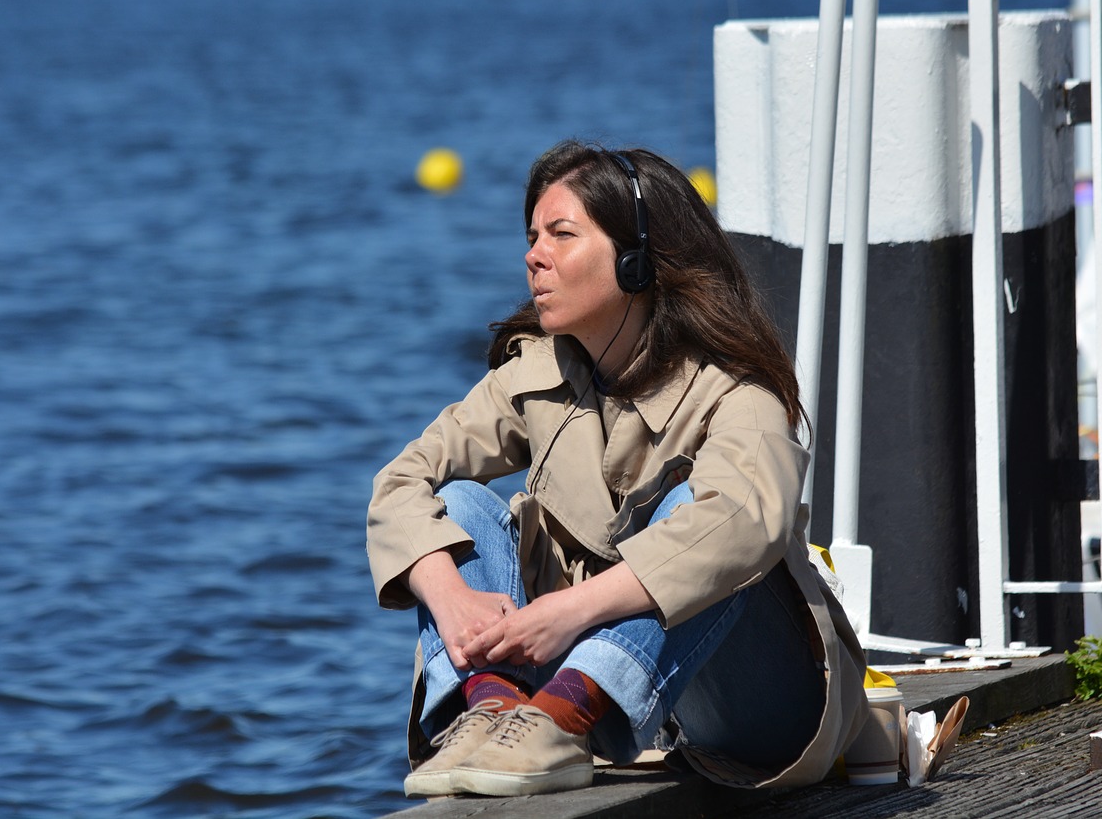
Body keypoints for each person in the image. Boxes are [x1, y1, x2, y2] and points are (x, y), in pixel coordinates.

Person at [366, 141, 869, 799]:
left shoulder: (736, 392)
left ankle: (563, 713)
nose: (532, 254)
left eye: (561, 234)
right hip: (592, 716)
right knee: (458, 501)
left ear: (636, 260)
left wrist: (568, 612)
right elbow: (403, 479)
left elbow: (742, 523)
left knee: (696, 510)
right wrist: (450, 597)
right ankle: (491, 712)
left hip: (759, 710)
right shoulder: (535, 375)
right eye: (531, 235)